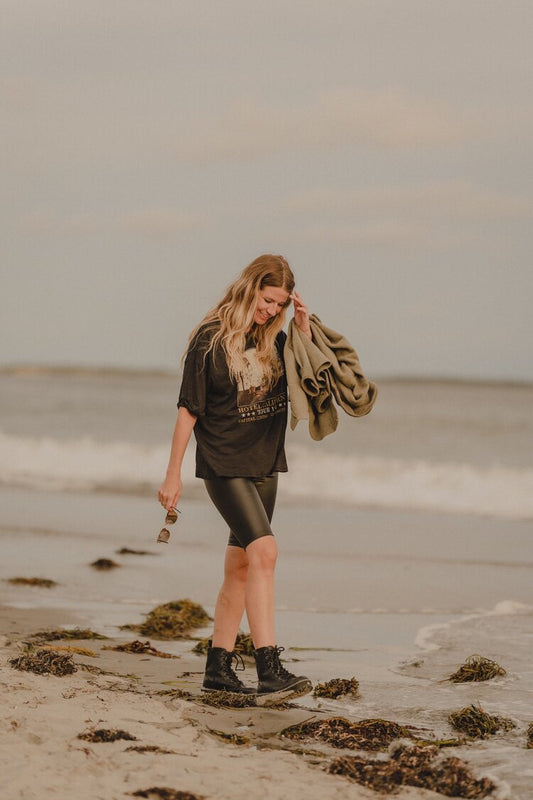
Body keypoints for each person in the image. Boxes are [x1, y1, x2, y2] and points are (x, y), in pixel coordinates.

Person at [158, 254, 313, 701]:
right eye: (267, 300)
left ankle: (218, 667)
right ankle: (269, 668)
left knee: (242, 563)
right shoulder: (209, 340)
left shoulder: (276, 337)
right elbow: (188, 408)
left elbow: (309, 378)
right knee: (266, 552)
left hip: (265, 463)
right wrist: (173, 475)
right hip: (224, 463)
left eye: (279, 304)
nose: (270, 310)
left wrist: (300, 329)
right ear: (250, 288)